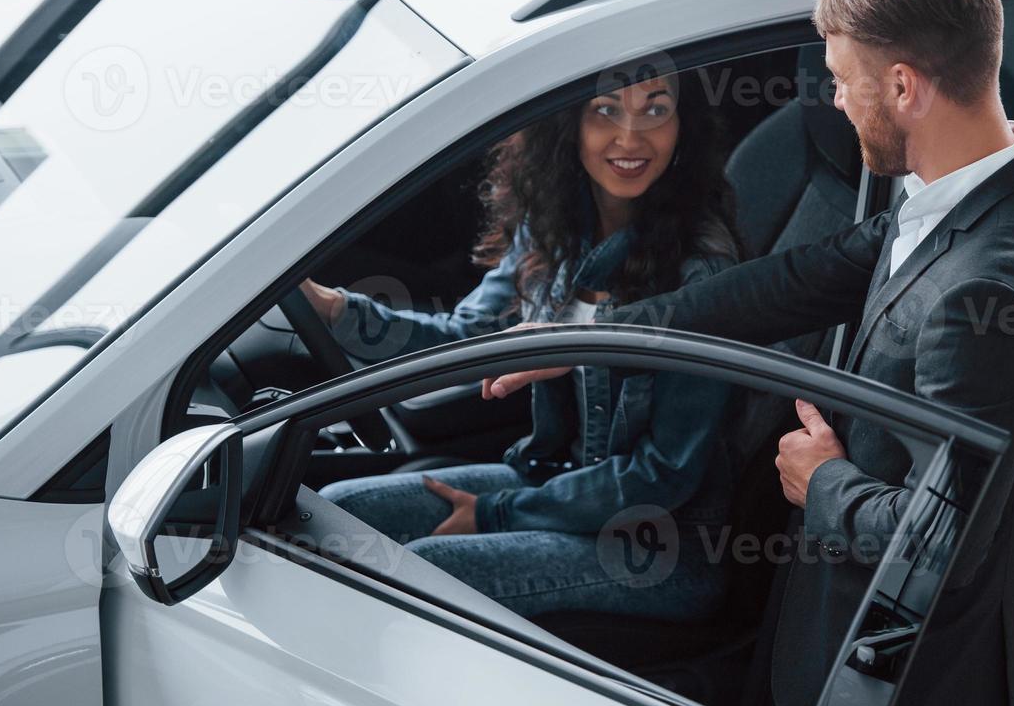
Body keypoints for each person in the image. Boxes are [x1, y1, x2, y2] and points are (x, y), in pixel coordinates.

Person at [483, 0, 1014, 706]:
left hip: (900, 688)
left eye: (844, 79)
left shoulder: (990, 287)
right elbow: (792, 282)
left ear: (903, 87)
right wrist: (593, 340)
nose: (833, 99)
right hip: (844, 633)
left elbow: (943, 545)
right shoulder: (975, 189)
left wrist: (821, 481)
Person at [301, 64, 744, 621]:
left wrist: (498, 513)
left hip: (656, 541)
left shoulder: (701, 268)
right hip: (560, 482)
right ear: (569, 126)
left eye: (656, 109)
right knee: (339, 515)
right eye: (605, 111)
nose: (631, 137)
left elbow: (664, 475)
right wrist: (336, 309)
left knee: (424, 569)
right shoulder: (555, 225)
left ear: (684, 127)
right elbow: (470, 339)